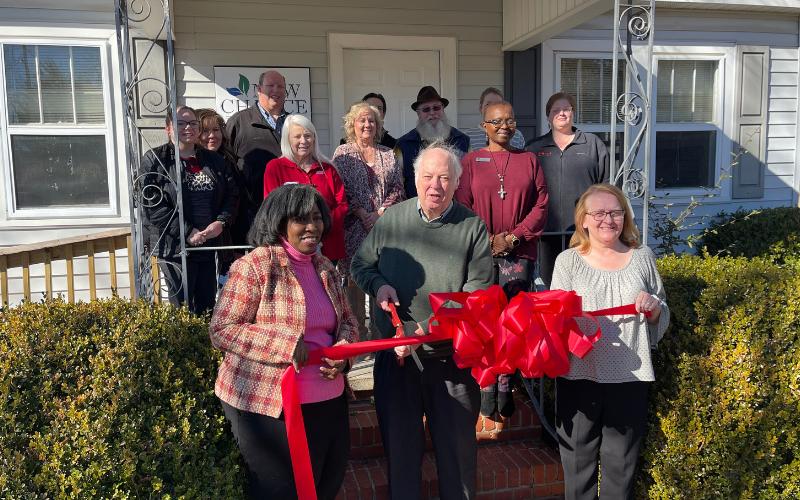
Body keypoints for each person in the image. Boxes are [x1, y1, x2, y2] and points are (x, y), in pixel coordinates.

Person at [351, 143, 493, 499]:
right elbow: (360, 265)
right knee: (401, 460)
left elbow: (476, 296)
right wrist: (379, 285)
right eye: (428, 176)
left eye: (444, 178)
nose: (435, 185)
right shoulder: (392, 220)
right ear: (415, 179)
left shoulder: (472, 227)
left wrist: (418, 333)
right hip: (396, 360)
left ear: (457, 182)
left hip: (451, 361)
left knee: (458, 463)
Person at [209, 184, 359, 499]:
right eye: (301, 219)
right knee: (281, 493)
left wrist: (344, 350)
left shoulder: (325, 267)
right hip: (270, 407)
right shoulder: (256, 266)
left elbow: (348, 320)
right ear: (279, 223)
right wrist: (284, 343)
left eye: (317, 218)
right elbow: (222, 328)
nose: (312, 227)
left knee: (325, 487)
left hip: (329, 401)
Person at [551, 183, 669, 500]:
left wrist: (655, 309)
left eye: (616, 212)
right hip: (578, 375)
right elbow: (554, 320)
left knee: (621, 470)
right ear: (583, 220)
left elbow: (662, 310)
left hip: (629, 377)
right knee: (578, 469)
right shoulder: (567, 261)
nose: (608, 219)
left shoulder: (643, 257)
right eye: (599, 213)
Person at [455, 100, 548, 424]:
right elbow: (462, 206)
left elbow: (541, 204)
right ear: (484, 127)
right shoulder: (470, 161)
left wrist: (514, 238)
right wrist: (489, 239)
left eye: (510, 120)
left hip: (517, 255)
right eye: (496, 121)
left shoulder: (529, 160)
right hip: (481, 255)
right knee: (484, 321)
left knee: (511, 322)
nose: (504, 126)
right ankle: (486, 383)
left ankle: (506, 381)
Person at [139, 105, 238, 314]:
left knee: (207, 307)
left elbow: (232, 195)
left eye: (192, 123)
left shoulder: (214, 160)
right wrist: (187, 231)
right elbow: (152, 206)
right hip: (175, 247)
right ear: (168, 128)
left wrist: (221, 222)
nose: (188, 128)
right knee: (182, 308)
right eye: (181, 123)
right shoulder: (156, 160)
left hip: (209, 246)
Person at [332, 101, 405, 338]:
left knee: (380, 277)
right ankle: (356, 337)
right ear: (352, 124)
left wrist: (380, 213)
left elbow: (398, 188)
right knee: (354, 281)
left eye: (371, 120)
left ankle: (379, 335)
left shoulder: (388, 154)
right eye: (362, 120)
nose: (367, 124)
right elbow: (340, 188)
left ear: (378, 125)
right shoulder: (343, 153)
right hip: (353, 227)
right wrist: (362, 213)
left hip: (383, 228)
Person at [528, 92, 610, 288]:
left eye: (566, 109)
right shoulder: (534, 148)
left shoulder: (592, 144)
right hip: (547, 233)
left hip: (585, 231)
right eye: (555, 110)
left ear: (573, 113)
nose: (561, 113)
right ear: (548, 116)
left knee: (585, 283)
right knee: (551, 285)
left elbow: (605, 187)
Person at [263, 114, 348, 263]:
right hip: (291, 249)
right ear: (287, 139)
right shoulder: (275, 167)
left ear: (314, 138)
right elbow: (272, 209)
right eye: (297, 136)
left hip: (328, 246)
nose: (303, 141)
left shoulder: (327, 169)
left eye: (307, 136)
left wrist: (320, 227)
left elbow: (342, 205)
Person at [227, 70, 289, 246]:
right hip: (250, 218)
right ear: (258, 89)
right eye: (270, 85)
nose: (276, 90)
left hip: (288, 214)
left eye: (280, 86)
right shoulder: (239, 122)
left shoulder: (294, 123)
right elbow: (226, 168)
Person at [395, 86, 470, 198]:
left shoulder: (462, 141)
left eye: (436, 108)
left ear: (443, 109)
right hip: (417, 207)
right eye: (426, 109)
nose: (432, 113)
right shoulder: (403, 145)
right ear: (418, 114)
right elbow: (397, 186)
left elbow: (471, 178)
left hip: (456, 207)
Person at [195, 108, 241, 272]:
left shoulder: (230, 162)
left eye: (216, 130)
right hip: (196, 239)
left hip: (225, 239)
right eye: (205, 131)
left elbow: (235, 199)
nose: (212, 136)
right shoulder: (189, 162)